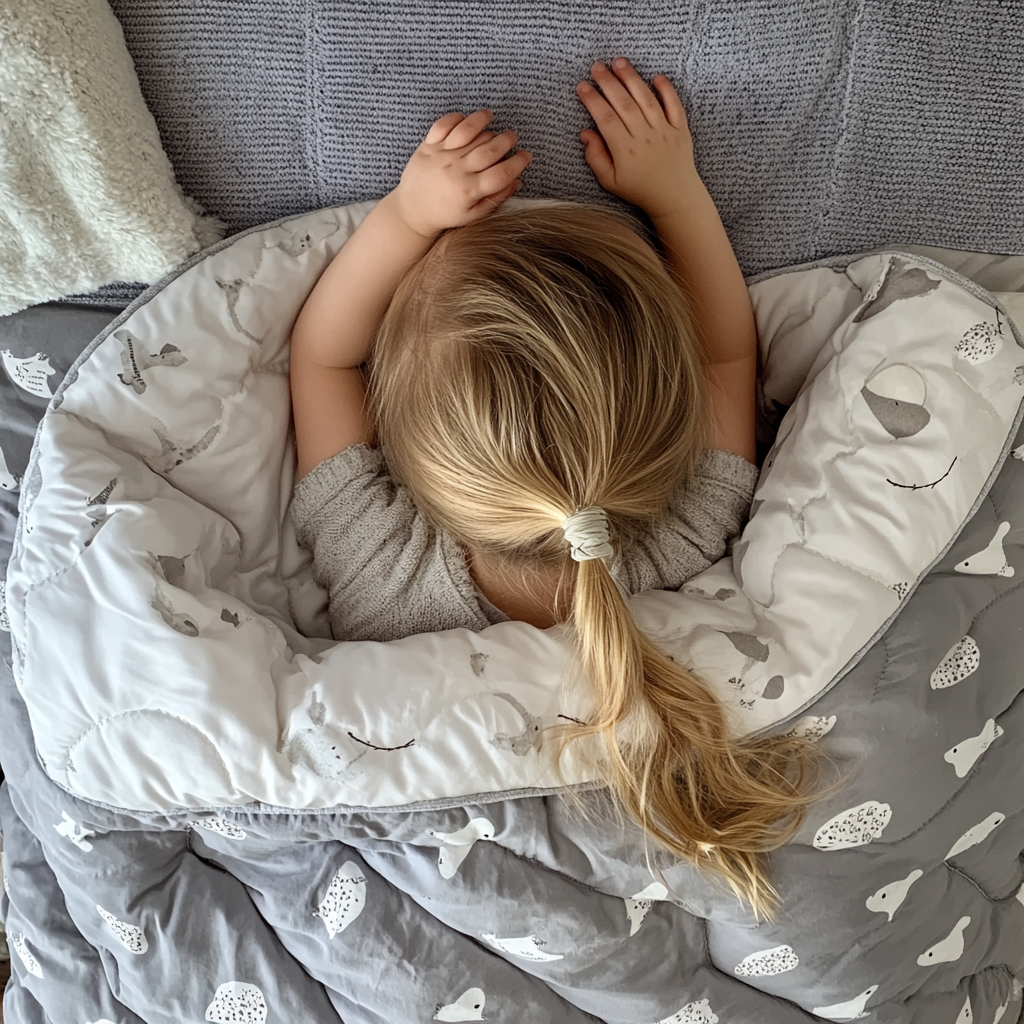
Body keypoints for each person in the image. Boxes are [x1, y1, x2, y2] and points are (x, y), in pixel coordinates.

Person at [288, 57, 819, 917]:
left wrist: (406, 217)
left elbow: (319, 353)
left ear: (400, 445)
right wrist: (676, 195)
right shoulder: (688, 541)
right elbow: (728, 354)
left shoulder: (381, 579)